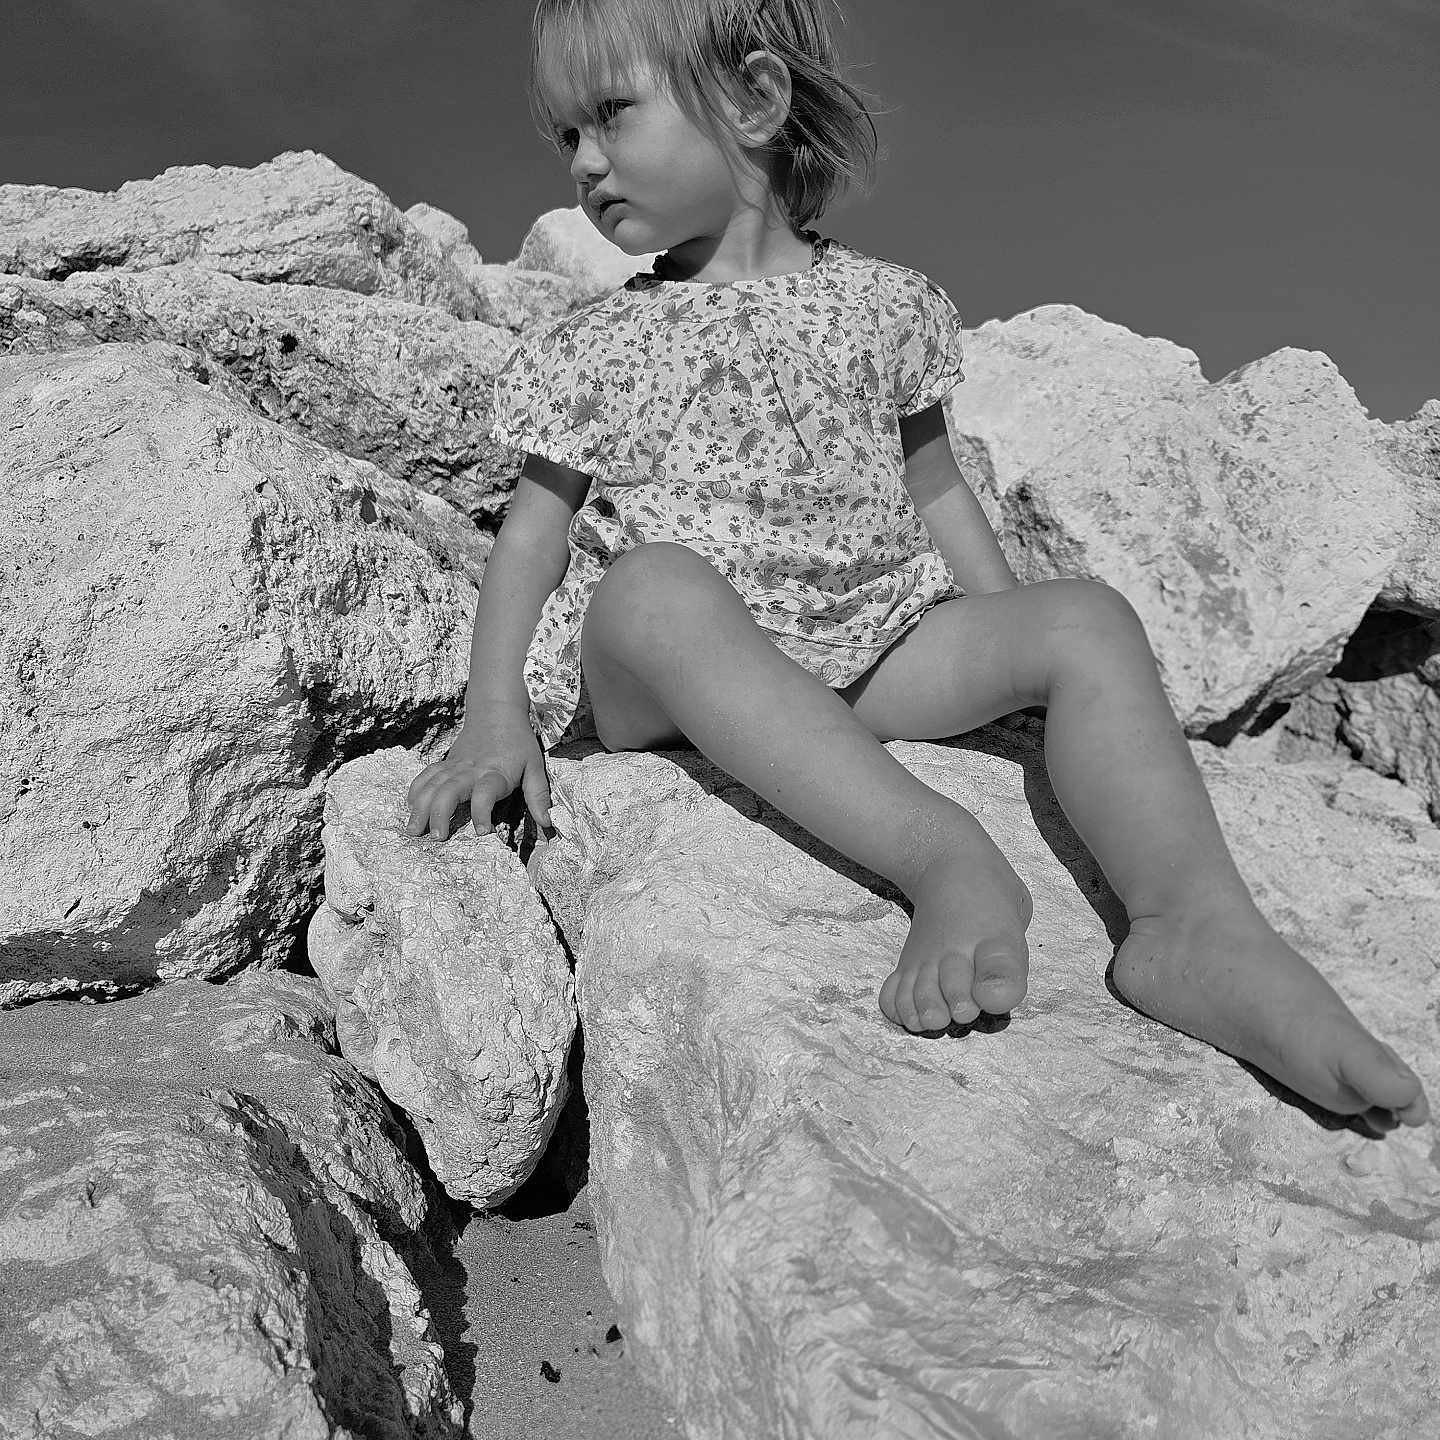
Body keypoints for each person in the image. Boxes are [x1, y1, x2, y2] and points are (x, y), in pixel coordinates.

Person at [406, 0, 1429, 1129]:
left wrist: (1016, 652)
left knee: (1085, 617)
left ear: (754, 99)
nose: (584, 162)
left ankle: (1194, 928)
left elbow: (936, 489)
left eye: (610, 114)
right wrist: (493, 714)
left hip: (873, 649)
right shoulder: (603, 343)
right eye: (566, 135)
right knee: (653, 585)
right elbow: (533, 534)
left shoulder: (885, 305)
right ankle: (942, 855)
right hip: (678, 678)